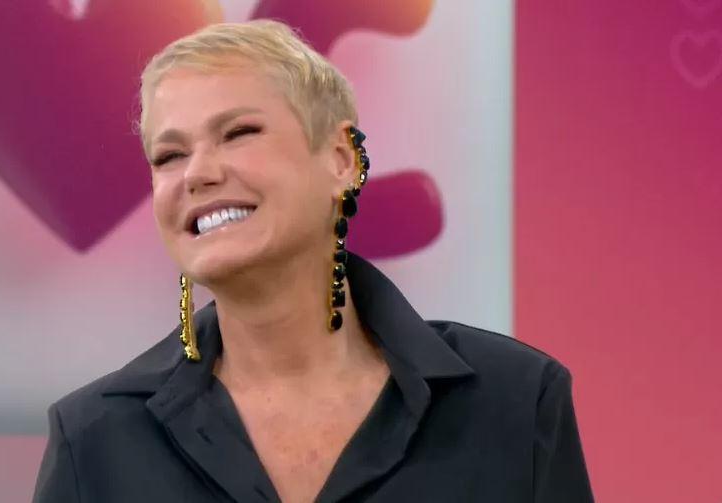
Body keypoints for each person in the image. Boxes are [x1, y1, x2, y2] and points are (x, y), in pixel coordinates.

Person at [32, 19, 594, 503]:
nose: (197, 173)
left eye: (238, 132)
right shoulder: (93, 439)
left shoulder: (515, 401)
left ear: (341, 159)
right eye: (169, 155)